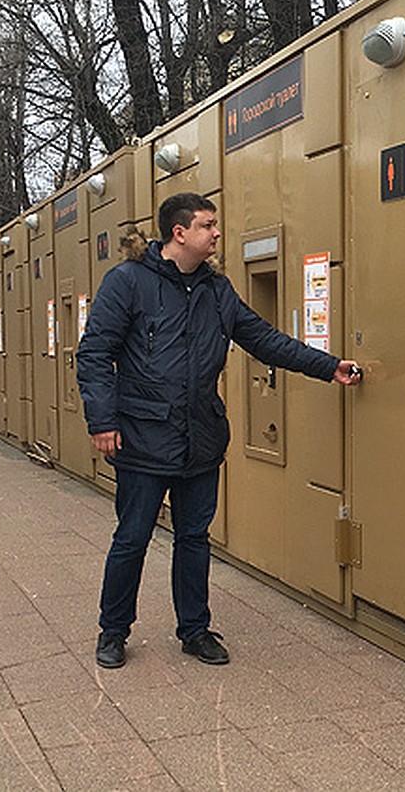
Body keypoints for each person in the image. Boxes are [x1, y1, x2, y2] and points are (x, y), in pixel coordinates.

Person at [76, 192, 361, 669]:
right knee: (132, 538)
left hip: (201, 439)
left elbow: (264, 339)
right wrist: (102, 420)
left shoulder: (217, 290)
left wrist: (327, 366)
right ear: (179, 233)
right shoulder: (127, 282)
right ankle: (113, 631)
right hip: (144, 438)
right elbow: (94, 355)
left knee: (194, 537)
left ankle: (194, 630)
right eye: (207, 225)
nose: (216, 233)